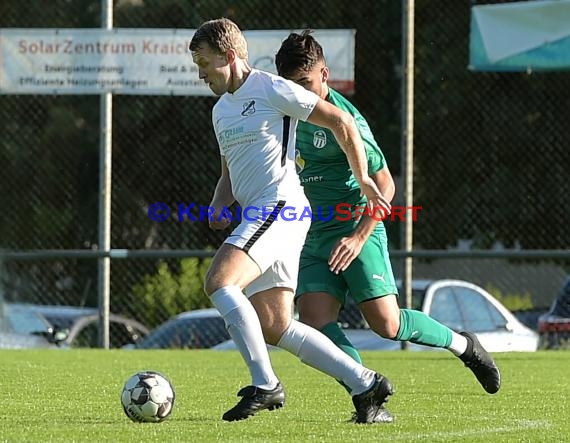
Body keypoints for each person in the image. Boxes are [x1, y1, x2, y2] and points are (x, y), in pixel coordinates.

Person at [274, 30, 501, 404]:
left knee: (387, 325)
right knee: (315, 320)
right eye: (291, 86)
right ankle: (367, 391)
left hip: (355, 227)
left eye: (306, 83)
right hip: (313, 234)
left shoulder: (348, 122)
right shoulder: (287, 112)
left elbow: (386, 185)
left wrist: (359, 237)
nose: (300, 93)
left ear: (325, 74)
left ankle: (465, 345)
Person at [188, 18, 395, 424]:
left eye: (204, 62)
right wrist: (217, 204)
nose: (200, 73)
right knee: (276, 325)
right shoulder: (220, 111)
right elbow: (229, 174)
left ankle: (265, 384)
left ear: (230, 57)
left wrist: (364, 178)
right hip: (263, 213)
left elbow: (342, 121)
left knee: (219, 281)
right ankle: (366, 383)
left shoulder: (269, 87)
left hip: (279, 206)